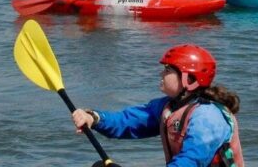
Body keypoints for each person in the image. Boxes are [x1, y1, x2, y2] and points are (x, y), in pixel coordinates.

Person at [71, 45, 244, 167]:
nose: (161, 73)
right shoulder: (168, 107)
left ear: (188, 79)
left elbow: (192, 161)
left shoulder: (208, 117)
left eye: (168, 70)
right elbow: (128, 121)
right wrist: (94, 118)